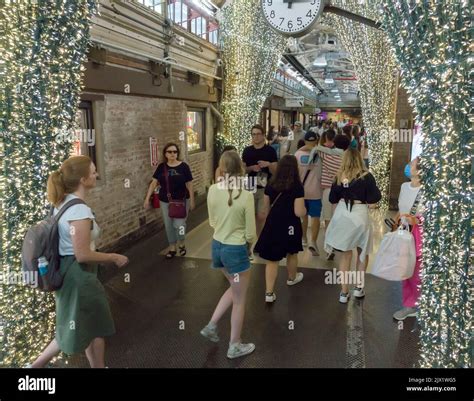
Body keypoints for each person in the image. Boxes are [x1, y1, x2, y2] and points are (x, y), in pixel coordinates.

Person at [29, 156, 129, 368]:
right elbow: (82, 253)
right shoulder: (79, 211)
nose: (96, 175)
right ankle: (34, 368)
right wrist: (113, 257)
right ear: (83, 179)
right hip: (79, 275)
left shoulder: (61, 202)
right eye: (93, 172)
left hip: (68, 271)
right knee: (87, 327)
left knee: (89, 326)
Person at [201, 151, 257, 359]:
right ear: (240, 169)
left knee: (235, 289)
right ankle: (235, 345)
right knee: (240, 299)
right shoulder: (246, 195)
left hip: (217, 247)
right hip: (235, 251)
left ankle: (212, 325)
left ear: (221, 169)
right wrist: (248, 246)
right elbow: (251, 233)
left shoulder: (213, 189)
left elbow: (212, 222)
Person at [324, 149, 381, 304]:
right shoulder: (366, 176)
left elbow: (332, 198)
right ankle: (358, 287)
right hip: (360, 214)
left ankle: (343, 292)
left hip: (343, 213)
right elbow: (374, 198)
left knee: (345, 253)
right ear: (360, 159)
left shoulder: (338, 175)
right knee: (362, 251)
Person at [253, 155, 307, 303]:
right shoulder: (297, 186)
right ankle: (292, 277)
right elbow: (298, 212)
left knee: (272, 259)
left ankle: (269, 293)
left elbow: (265, 208)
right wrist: (305, 210)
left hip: (274, 224)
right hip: (291, 225)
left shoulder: (271, 183)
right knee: (292, 253)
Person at [144, 142, 195, 259]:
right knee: (168, 225)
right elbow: (153, 183)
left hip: (182, 200)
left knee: (179, 224)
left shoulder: (184, 167)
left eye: (175, 152)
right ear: (165, 154)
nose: (173, 154)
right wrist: (147, 198)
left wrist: (192, 200)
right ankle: (172, 247)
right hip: (165, 201)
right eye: (170, 152)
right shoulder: (162, 167)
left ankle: (181, 243)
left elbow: (190, 184)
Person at [393, 158, 423, 320]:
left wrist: (417, 220)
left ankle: (419, 304)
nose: (407, 166)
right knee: (405, 270)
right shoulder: (404, 186)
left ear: (419, 172)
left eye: (411, 165)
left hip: (417, 235)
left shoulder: (426, 191)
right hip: (403, 232)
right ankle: (409, 305)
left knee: (416, 272)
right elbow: (401, 208)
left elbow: (428, 216)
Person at [242, 124, 278, 236]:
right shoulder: (247, 151)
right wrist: (251, 168)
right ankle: (249, 239)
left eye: (258, 134)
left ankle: (260, 240)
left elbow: (275, 170)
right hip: (250, 185)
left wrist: (268, 164)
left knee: (262, 215)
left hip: (265, 186)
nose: (256, 137)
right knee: (249, 215)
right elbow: (243, 170)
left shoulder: (270, 151)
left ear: (263, 135)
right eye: (253, 134)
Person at [320, 133, 350, 261]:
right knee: (340, 220)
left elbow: (312, 147)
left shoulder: (326, 154)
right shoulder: (347, 159)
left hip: (328, 190)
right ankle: (341, 244)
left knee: (328, 220)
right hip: (343, 193)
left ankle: (329, 248)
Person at [294, 131, 322, 255]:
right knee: (315, 217)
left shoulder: (298, 154)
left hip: (301, 192)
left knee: (302, 216)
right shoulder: (321, 154)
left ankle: (303, 238)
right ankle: (313, 242)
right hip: (316, 192)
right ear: (316, 141)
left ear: (305, 141)